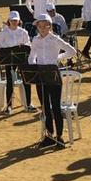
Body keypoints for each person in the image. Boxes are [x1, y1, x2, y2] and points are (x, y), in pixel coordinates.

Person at [29, 13, 76, 148]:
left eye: (45, 26)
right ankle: (49, 135)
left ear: (50, 26)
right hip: (41, 76)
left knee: (55, 107)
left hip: (54, 75)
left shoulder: (55, 39)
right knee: (45, 107)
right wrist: (33, 66)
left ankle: (59, 136)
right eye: (39, 26)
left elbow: (71, 51)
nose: (42, 28)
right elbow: (32, 56)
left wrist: (57, 59)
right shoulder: (36, 40)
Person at [0, 11, 33, 114]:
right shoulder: (4, 32)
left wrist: (23, 45)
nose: (14, 22)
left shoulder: (23, 32)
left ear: (18, 21)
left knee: (27, 79)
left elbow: (28, 44)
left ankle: (29, 103)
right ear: (9, 21)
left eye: (15, 20)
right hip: (9, 59)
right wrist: (9, 48)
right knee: (9, 81)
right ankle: (8, 106)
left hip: (21, 59)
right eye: (12, 20)